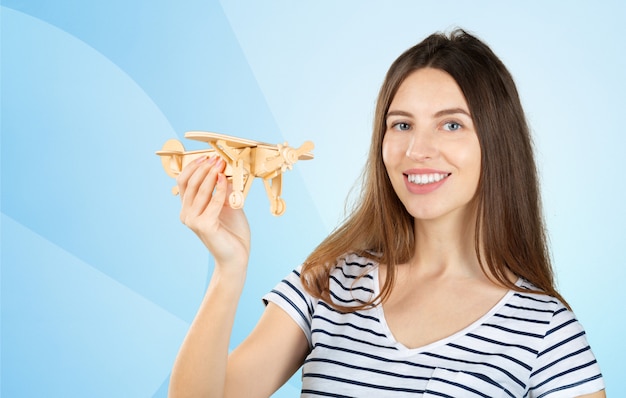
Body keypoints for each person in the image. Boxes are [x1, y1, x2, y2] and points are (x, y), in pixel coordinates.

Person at [168, 29, 605, 397]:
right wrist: (229, 268)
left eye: (451, 124)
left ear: (496, 142)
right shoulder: (328, 283)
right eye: (402, 124)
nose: (417, 150)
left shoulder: (545, 330)